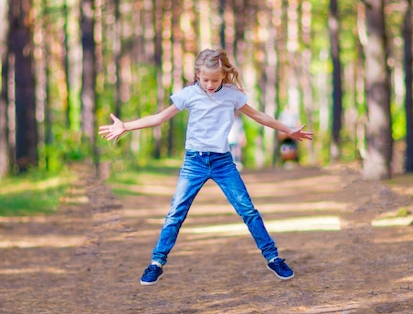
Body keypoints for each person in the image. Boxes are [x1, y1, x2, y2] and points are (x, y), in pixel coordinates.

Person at [99, 48, 313, 285]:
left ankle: (273, 258)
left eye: (215, 79)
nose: (210, 84)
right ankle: (156, 263)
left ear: (224, 75)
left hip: (223, 162)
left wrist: (288, 130)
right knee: (175, 214)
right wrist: (126, 126)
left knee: (248, 210)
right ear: (197, 75)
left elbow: (259, 116)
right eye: (205, 79)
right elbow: (159, 118)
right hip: (194, 163)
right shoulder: (189, 94)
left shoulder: (232, 95)